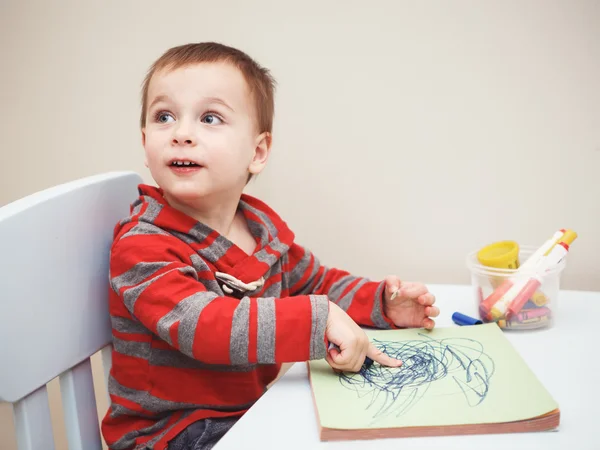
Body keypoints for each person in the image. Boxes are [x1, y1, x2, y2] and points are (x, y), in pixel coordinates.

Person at [101, 42, 439, 450]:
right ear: (144, 140)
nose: (181, 134)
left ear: (257, 152)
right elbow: (205, 326)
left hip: (246, 412)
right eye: (164, 117)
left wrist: (381, 304)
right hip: (170, 432)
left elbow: (317, 281)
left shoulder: (261, 233)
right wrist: (319, 320)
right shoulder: (142, 244)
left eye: (209, 118)